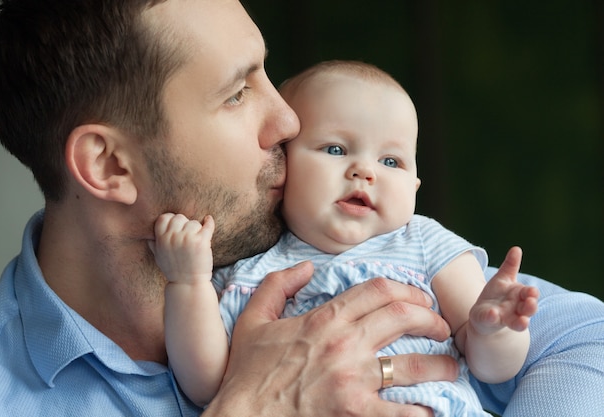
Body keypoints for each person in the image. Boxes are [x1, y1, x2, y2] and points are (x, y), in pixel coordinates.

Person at [0, 0, 602, 416]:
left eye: (268, 75)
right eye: (237, 93)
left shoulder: (348, 246)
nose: (287, 119)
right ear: (111, 166)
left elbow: (588, 339)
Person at [150, 60, 539, 415]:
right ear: (282, 165)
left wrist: (494, 329)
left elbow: (494, 369)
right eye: (335, 149)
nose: (365, 171)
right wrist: (189, 283)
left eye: (391, 161)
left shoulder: (423, 243)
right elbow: (206, 386)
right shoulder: (252, 267)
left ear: (414, 186)